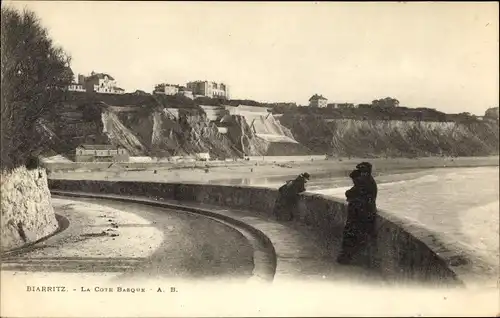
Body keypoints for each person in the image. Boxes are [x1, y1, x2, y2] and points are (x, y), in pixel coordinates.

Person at [337, 165, 378, 265]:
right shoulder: (368, 181)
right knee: (355, 235)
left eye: (363, 171)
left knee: (351, 234)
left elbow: (351, 192)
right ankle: (347, 256)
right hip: (364, 213)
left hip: (360, 214)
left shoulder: (363, 182)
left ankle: (346, 257)